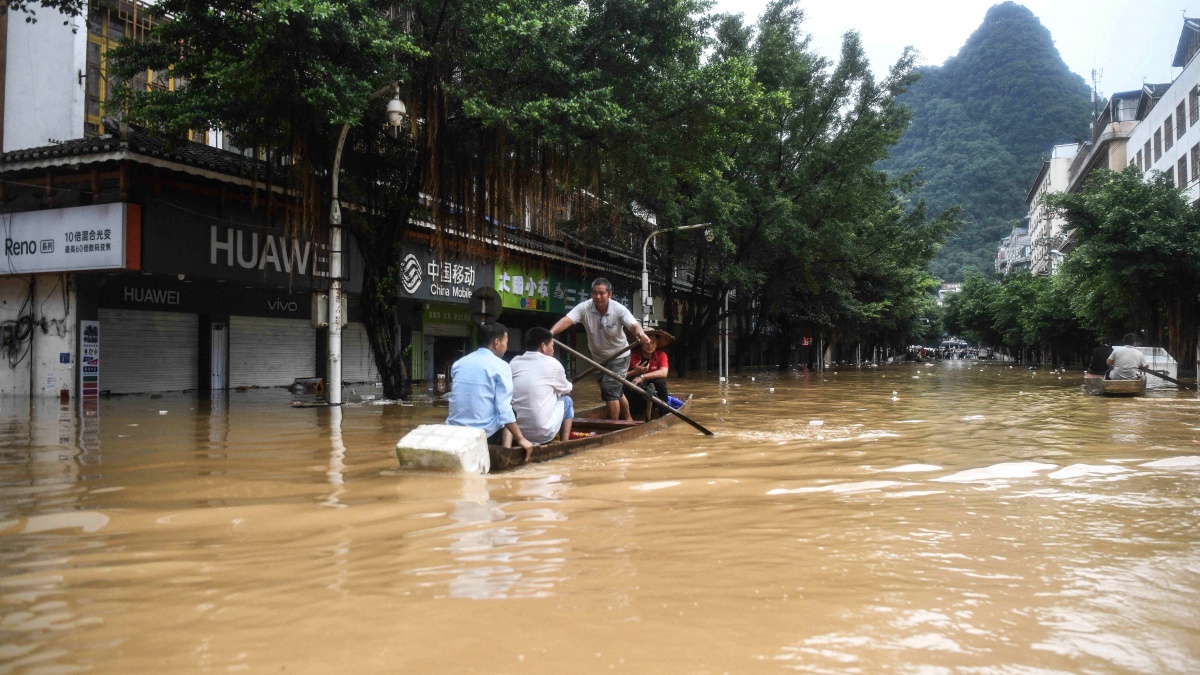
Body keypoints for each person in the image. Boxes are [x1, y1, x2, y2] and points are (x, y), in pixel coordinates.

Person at [550, 278, 651, 420]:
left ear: (610, 294)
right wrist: (551, 333)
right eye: (594, 293)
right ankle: (628, 419)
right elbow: (567, 320)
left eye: (602, 293)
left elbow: (634, 325)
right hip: (598, 358)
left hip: (619, 356)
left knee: (610, 390)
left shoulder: (619, 309)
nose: (598, 297)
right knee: (615, 392)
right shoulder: (584, 308)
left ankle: (613, 425)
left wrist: (640, 334)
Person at [445, 321, 534, 458]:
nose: (506, 347)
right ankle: (505, 452)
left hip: (454, 430)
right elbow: (504, 409)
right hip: (484, 434)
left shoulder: (459, 363)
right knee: (511, 411)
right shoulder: (501, 366)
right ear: (497, 342)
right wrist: (521, 439)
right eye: (506, 342)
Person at [509, 327, 574, 447]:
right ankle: (564, 444)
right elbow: (567, 389)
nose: (553, 350)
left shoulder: (514, 362)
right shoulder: (553, 363)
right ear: (543, 346)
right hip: (543, 433)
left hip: (515, 432)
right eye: (552, 346)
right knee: (567, 401)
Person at [625, 328, 673, 420]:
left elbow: (664, 372)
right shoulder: (631, 355)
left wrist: (642, 376)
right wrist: (634, 372)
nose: (650, 345)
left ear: (657, 343)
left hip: (654, 395)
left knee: (660, 383)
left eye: (653, 342)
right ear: (640, 343)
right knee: (625, 386)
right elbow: (621, 376)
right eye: (646, 342)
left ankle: (664, 415)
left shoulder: (661, 355)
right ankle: (631, 415)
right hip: (636, 394)